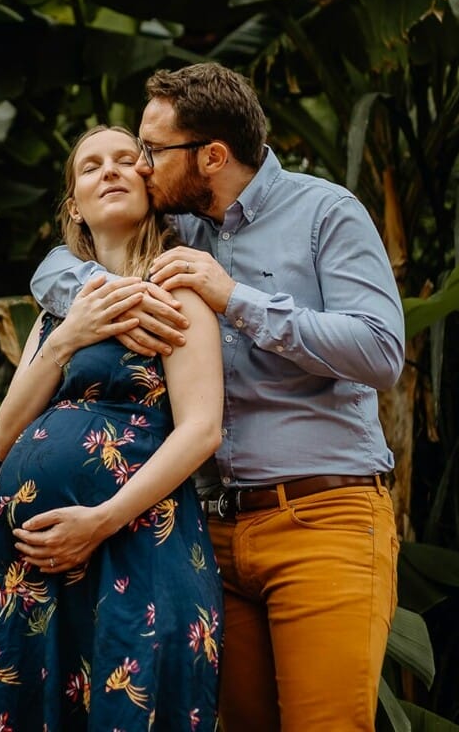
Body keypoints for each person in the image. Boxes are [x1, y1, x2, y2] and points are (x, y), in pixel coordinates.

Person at [31, 63, 406, 731]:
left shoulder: (326, 213)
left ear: (211, 155)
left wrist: (235, 299)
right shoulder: (185, 224)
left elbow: (380, 351)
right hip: (211, 535)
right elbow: (62, 261)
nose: (139, 167)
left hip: (322, 517)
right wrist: (98, 300)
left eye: (151, 150)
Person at [0, 125, 225, 732]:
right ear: (75, 206)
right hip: (42, 573)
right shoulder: (58, 312)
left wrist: (99, 521)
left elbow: (202, 431)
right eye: (91, 167)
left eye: (126, 159)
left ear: (150, 185)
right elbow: (3, 435)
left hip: (135, 542)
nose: (111, 170)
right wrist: (70, 334)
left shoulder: (176, 290)